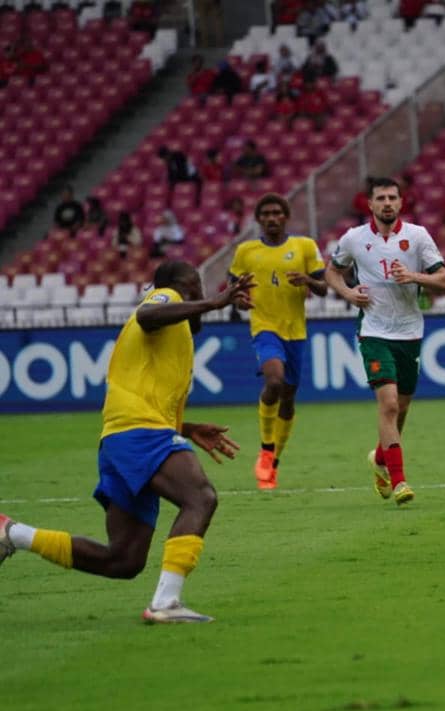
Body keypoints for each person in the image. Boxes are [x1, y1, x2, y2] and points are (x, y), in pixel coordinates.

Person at [0, 262, 255, 623]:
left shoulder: (176, 336)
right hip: (140, 433)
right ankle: (166, 604)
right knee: (200, 498)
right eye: (195, 286)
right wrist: (212, 304)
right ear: (182, 286)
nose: (198, 293)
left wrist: (187, 427)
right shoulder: (165, 295)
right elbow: (149, 314)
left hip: (124, 437)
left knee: (123, 560)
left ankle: (13, 533)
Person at [324, 176, 445, 506]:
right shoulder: (354, 238)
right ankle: (399, 482)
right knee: (390, 404)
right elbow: (332, 272)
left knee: (402, 408)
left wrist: (413, 276)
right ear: (369, 204)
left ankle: (380, 460)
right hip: (374, 331)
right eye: (380, 198)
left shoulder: (417, 236)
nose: (387, 203)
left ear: (400, 202)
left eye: (392, 197)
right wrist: (347, 293)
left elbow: (444, 280)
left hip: (410, 331)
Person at [227, 193, 327, 491]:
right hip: (264, 328)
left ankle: (274, 463)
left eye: (277, 213)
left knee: (288, 397)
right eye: (266, 214)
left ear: (285, 217)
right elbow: (234, 291)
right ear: (259, 219)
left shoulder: (304, 246)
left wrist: (308, 282)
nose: (271, 218)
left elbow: (324, 287)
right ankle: (266, 449)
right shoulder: (246, 251)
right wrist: (240, 302)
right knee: (274, 382)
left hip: (295, 332)